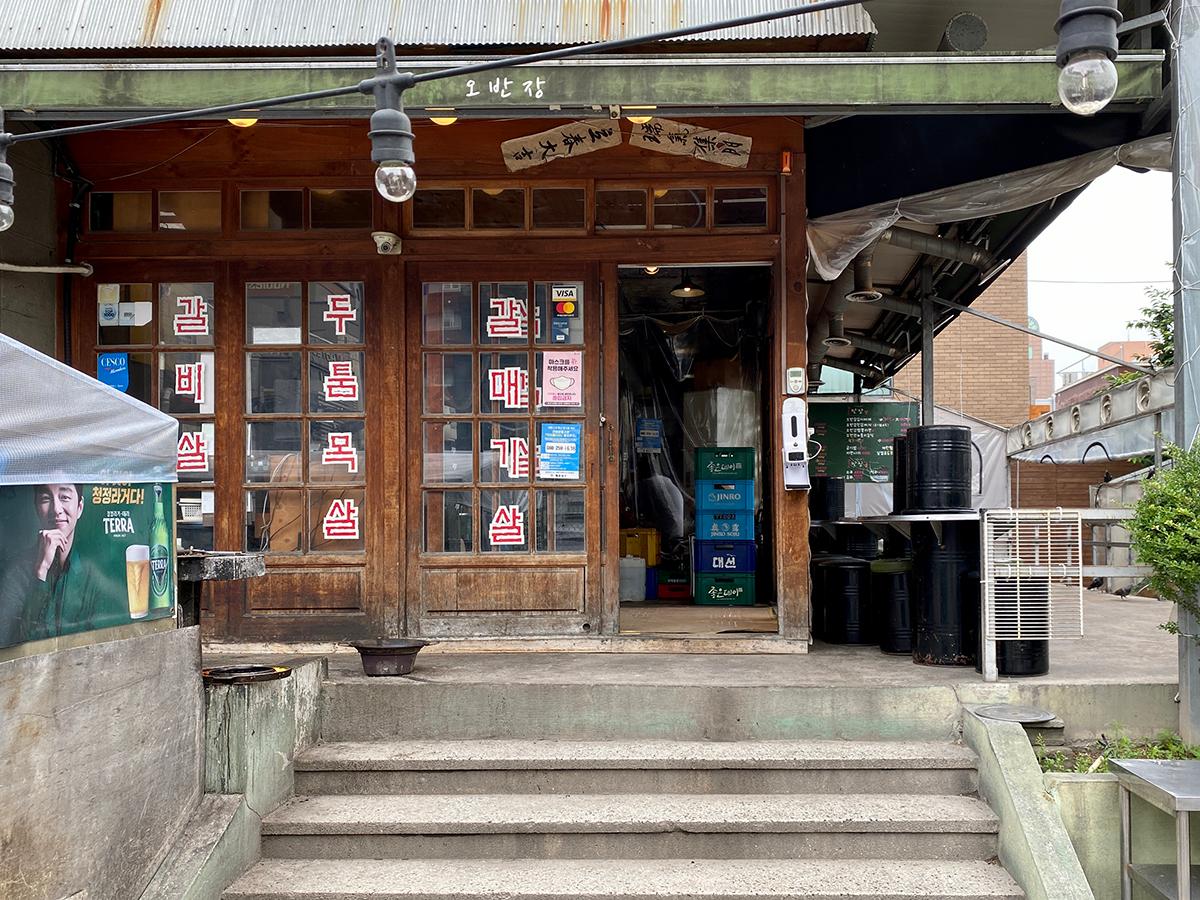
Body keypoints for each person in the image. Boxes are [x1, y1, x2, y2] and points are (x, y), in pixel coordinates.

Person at [0, 483, 103, 646]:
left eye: (65, 497)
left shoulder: (93, 575)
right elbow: (10, 640)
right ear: (36, 506)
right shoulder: (15, 572)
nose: (56, 509)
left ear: (80, 507)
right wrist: (41, 570)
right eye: (46, 498)